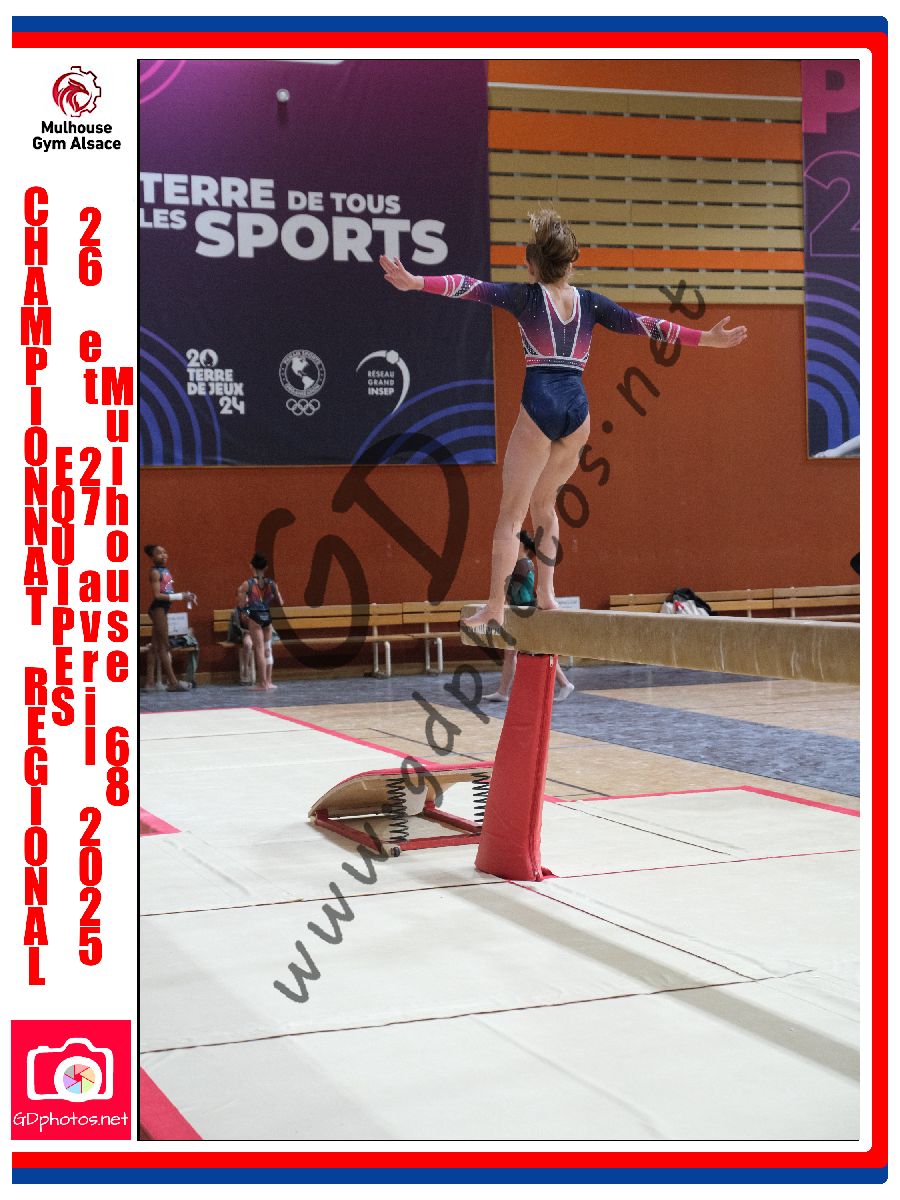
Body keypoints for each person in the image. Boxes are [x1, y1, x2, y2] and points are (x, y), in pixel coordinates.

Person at [380, 209, 747, 636]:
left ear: (530, 264)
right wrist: (708, 340)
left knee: (511, 517)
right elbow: (646, 325)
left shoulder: (525, 297)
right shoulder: (591, 303)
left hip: (540, 403)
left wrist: (416, 282)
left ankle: (496, 608)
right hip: (577, 411)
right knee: (545, 507)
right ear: (573, 262)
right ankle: (548, 596)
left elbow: (469, 286)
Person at [484, 531, 574, 703]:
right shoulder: (517, 564)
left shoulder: (523, 564)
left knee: (539, 650)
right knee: (511, 652)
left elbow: (515, 591)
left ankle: (564, 683)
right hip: (520, 612)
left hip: (527, 612)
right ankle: (503, 692)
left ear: (522, 545)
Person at [144, 544, 196, 692]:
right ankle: (173, 682)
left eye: (165, 552)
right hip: (158, 609)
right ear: (152, 557)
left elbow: (168, 591)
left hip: (162, 609)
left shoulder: (165, 570)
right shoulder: (155, 572)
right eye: (159, 553)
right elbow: (157, 595)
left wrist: (186, 595)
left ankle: (149, 683)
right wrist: (181, 596)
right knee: (164, 646)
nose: (163, 555)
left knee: (155, 646)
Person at [237, 553, 284, 691]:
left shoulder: (247, 584)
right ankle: (269, 681)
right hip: (267, 616)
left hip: (255, 617)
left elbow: (242, 606)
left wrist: (248, 613)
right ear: (266, 567)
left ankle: (262, 683)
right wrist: (267, 601)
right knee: (268, 648)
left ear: (251, 566)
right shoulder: (272, 583)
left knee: (259, 649)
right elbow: (281, 602)